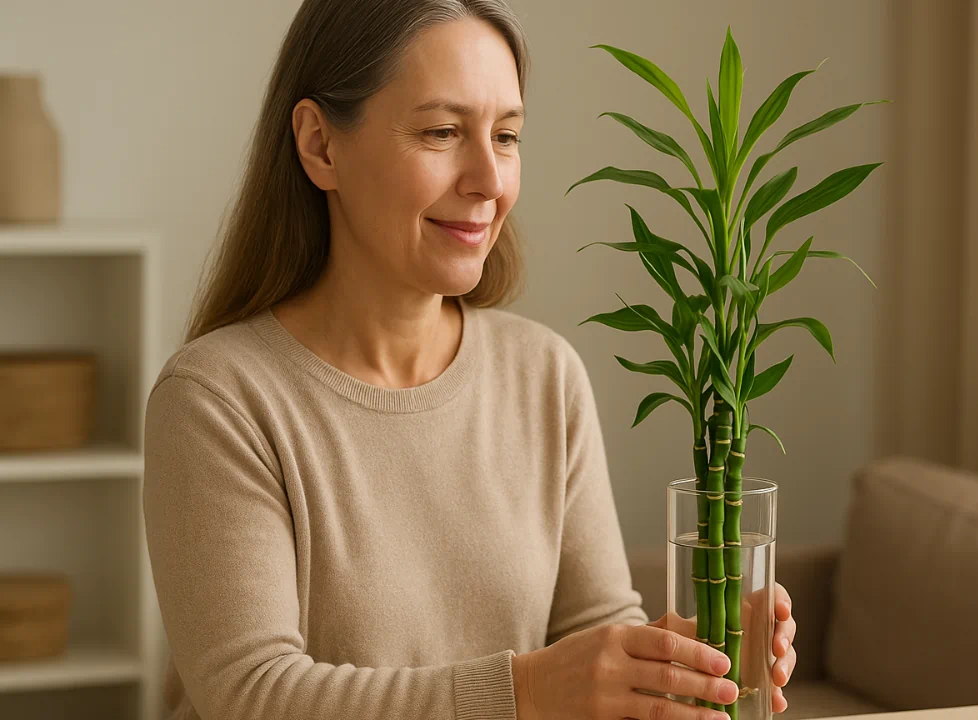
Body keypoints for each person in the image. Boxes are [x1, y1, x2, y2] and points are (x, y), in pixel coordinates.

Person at [142, 1, 798, 718]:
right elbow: (253, 696)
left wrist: (687, 658)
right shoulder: (216, 399)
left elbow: (592, 632)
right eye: (443, 132)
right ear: (321, 146)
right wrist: (525, 691)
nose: (489, 179)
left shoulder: (544, 375)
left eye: (508, 135)